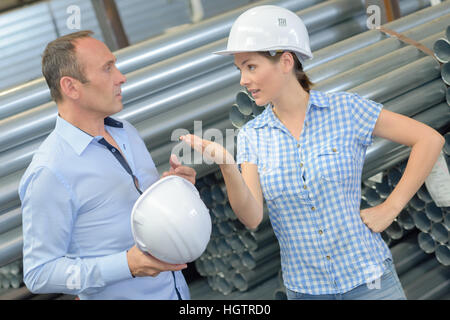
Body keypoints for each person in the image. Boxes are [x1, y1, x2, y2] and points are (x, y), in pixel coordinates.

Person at [181, 5, 445, 300]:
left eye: (250, 66)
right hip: (307, 291)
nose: (243, 79)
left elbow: (428, 139)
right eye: (239, 69)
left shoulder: (345, 110)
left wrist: (390, 207)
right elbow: (252, 217)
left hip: (371, 282)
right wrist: (228, 166)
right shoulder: (251, 137)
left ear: (285, 61)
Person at [18, 30, 196, 300]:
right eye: (107, 68)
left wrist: (173, 189)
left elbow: (133, 213)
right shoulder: (50, 172)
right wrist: (126, 265)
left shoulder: (126, 132)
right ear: (71, 87)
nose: (121, 77)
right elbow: (39, 273)